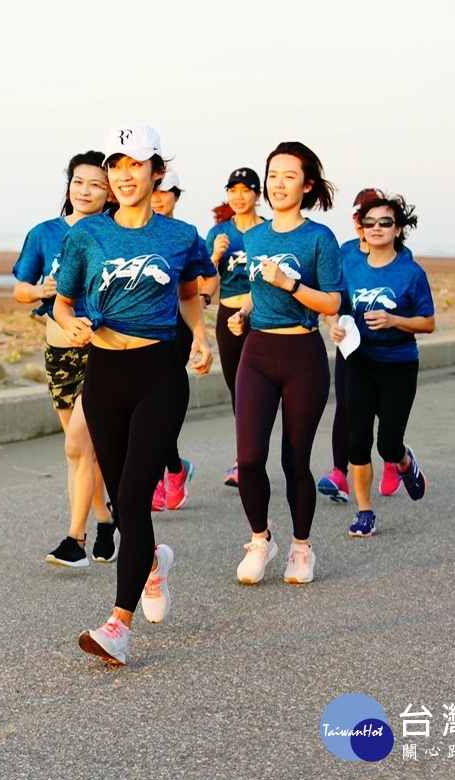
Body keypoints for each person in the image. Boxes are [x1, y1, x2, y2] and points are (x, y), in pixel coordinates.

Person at [54, 123, 214, 665]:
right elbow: (64, 301)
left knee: (137, 493)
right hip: (103, 374)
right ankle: (152, 565)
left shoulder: (180, 236)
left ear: (157, 171)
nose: (124, 175)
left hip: (158, 373)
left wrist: (200, 336)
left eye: (136, 164)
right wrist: (73, 324)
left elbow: (191, 295)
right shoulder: (87, 236)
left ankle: (117, 627)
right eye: (116, 165)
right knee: (122, 501)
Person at [227, 141, 342, 586]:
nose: (278, 183)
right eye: (272, 175)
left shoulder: (319, 238)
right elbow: (259, 292)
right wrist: (243, 314)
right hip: (257, 353)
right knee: (250, 457)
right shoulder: (253, 236)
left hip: (303, 356)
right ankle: (261, 540)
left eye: (288, 176)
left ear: (307, 184)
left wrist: (290, 282)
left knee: (295, 460)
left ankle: (300, 548)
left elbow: (332, 301)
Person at [11, 151, 116, 567]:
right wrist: (43, 291)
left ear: (108, 192)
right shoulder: (44, 233)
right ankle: (106, 518)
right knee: (81, 450)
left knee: (77, 444)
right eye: (79, 182)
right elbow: (21, 287)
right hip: (57, 353)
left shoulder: (112, 233)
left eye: (96, 184)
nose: (85, 190)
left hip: (99, 350)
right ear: (68, 185)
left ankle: (76, 539)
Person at [329, 194, 435, 536]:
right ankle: (364, 511)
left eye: (385, 222)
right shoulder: (351, 266)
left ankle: (405, 461)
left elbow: (428, 322)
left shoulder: (410, 272)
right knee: (357, 442)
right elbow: (337, 306)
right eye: (369, 222)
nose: (376, 228)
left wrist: (393, 320)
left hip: (399, 366)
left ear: (398, 229)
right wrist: (335, 324)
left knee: (387, 444)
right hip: (360, 363)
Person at [317, 188, 417, 504]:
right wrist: (333, 323)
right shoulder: (343, 253)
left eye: (379, 219)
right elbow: (330, 296)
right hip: (350, 343)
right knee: (346, 407)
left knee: (384, 415)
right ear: (355, 219)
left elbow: (409, 304)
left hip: (389, 350)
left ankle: (391, 462)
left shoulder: (402, 258)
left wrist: (392, 321)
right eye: (364, 217)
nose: (369, 224)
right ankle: (339, 473)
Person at [147, 169, 216, 512]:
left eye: (166, 191)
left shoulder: (186, 236)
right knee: (146, 404)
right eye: (155, 190)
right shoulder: (135, 230)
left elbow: (210, 277)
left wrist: (201, 301)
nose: (159, 197)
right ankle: (173, 468)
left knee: (163, 403)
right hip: (142, 328)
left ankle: (163, 472)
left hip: (177, 326)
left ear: (176, 196)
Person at [205, 167, 264, 487]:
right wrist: (214, 256)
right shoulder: (219, 233)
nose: (239, 196)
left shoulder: (268, 231)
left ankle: (250, 458)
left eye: (246, 190)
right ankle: (246, 459)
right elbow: (204, 279)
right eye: (233, 190)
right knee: (237, 389)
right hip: (228, 313)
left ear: (257, 194)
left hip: (262, 314)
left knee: (258, 390)